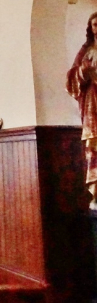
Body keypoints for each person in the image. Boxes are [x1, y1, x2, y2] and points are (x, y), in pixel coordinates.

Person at [67, 11, 97, 208]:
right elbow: (71, 81)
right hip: (93, 107)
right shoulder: (86, 51)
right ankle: (96, 193)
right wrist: (83, 72)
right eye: (95, 25)